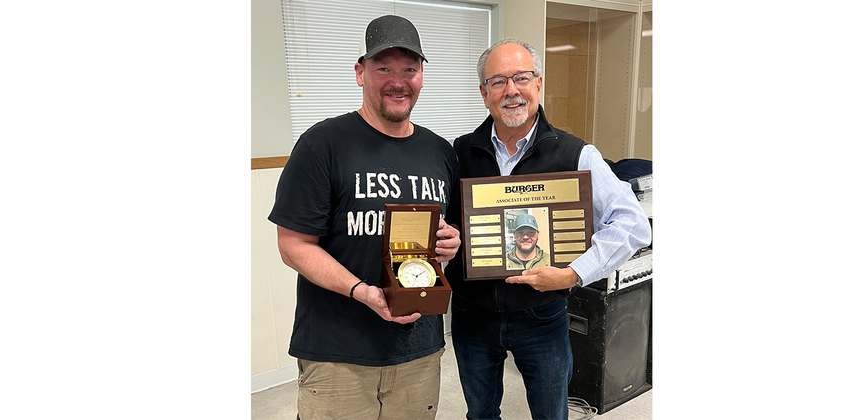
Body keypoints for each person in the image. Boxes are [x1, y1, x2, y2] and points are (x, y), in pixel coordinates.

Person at [446, 39, 652, 420]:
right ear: (483, 93)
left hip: (542, 320)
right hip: (472, 317)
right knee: (480, 414)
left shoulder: (577, 155)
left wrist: (574, 273)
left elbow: (633, 224)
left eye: (521, 78)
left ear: (538, 83)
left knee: (551, 414)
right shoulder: (458, 153)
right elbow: (444, 225)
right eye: (498, 81)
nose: (511, 90)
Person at [268, 15, 461, 420]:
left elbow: (445, 241)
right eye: (383, 68)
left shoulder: (441, 151)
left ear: (422, 76)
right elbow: (293, 245)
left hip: (418, 350)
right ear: (360, 72)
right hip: (338, 351)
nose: (398, 80)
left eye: (409, 69)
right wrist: (362, 291)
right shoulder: (323, 144)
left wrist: (450, 245)